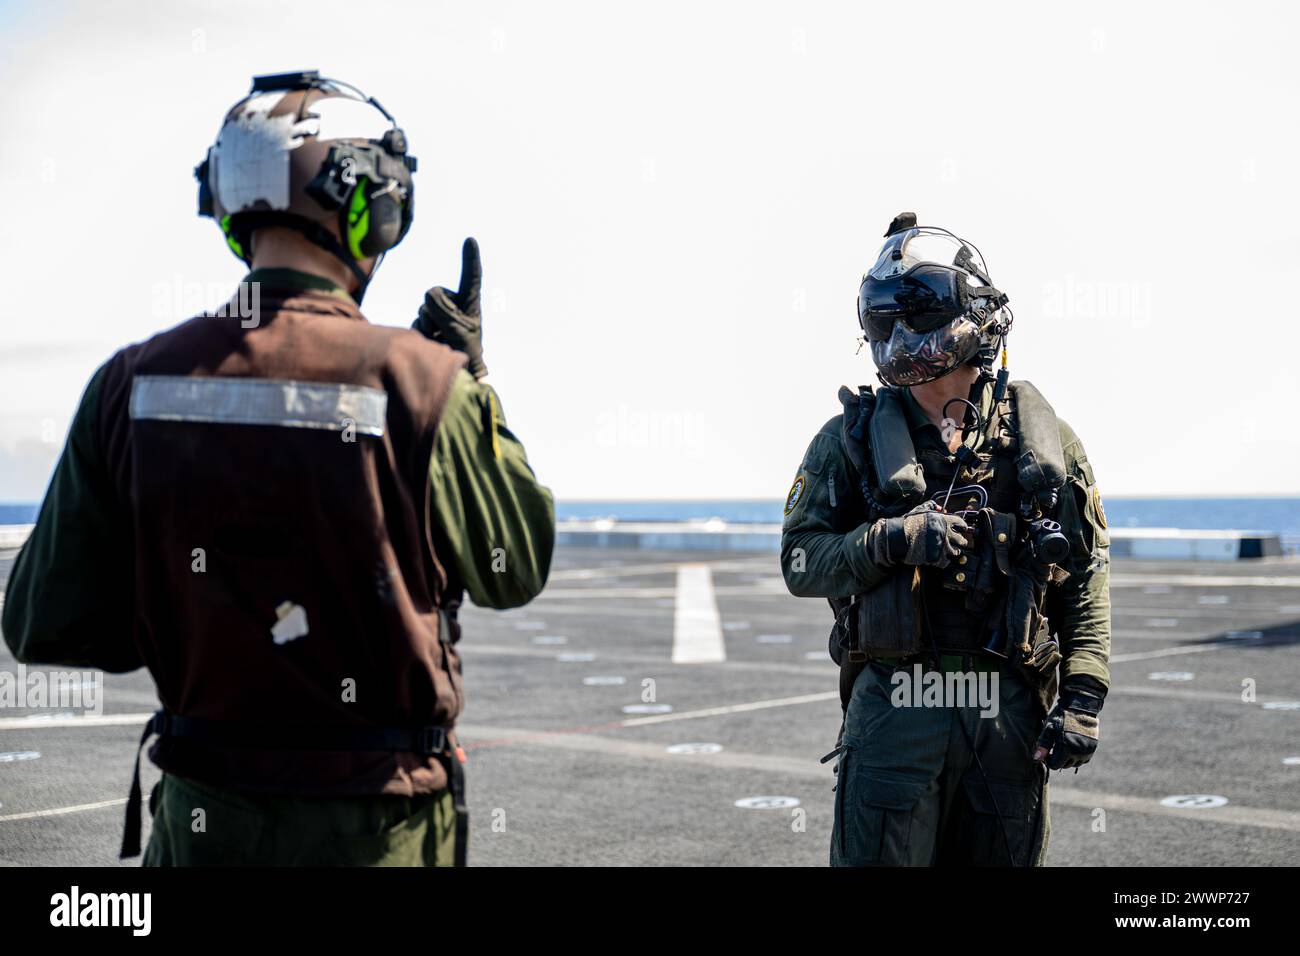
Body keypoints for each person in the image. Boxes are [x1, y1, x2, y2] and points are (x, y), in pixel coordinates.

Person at [1, 71, 555, 867]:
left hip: (204, 822)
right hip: (376, 834)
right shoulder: (422, 381)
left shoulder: (131, 385)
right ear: (370, 207)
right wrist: (466, 381)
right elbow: (518, 566)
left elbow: (42, 620)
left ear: (230, 209)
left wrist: (203, 632)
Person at [780, 212, 1110, 866]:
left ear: (974, 312)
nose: (901, 335)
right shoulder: (848, 443)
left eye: (922, 309)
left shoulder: (1043, 444)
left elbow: (1084, 574)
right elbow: (800, 562)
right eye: (882, 318)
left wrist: (1083, 696)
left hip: (1006, 706)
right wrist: (886, 542)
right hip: (898, 705)